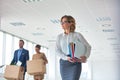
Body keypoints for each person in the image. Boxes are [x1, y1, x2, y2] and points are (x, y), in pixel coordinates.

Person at [56, 15, 91, 80]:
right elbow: (57, 51)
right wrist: (66, 58)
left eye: (64, 22)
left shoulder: (77, 35)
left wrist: (86, 56)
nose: (62, 24)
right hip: (64, 63)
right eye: (61, 22)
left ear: (70, 23)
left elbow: (88, 47)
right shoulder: (59, 37)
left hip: (75, 62)